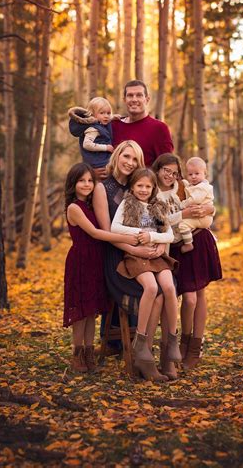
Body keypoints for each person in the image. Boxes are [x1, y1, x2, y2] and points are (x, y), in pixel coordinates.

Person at [92, 141, 168, 382]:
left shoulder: (141, 185)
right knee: (153, 291)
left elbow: (160, 223)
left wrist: (160, 244)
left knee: (164, 290)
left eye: (135, 159)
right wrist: (135, 248)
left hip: (146, 255)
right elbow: (107, 232)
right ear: (117, 156)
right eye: (126, 156)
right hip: (117, 257)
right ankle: (144, 355)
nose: (130, 162)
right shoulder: (102, 188)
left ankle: (145, 354)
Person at [63, 162, 138, 373]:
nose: (87, 184)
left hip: (96, 259)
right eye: (81, 181)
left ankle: (89, 354)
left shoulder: (89, 205)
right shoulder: (74, 208)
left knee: (91, 311)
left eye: (90, 180)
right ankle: (77, 355)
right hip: (81, 261)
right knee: (80, 311)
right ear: (73, 184)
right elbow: (95, 233)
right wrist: (125, 238)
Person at [152, 153, 222, 372]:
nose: (170, 175)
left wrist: (210, 209)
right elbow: (160, 220)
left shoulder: (183, 185)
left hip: (198, 240)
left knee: (198, 295)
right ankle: (183, 341)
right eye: (166, 170)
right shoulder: (151, 191)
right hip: (175, 246)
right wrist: (185, 213)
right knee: (188, 297)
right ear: (157, 170)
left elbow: (205, 199)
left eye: (174, 172)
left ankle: (194, 347)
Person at [110, 168, 182, 377]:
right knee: (151, 287)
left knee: (169, 287)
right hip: (137, 257)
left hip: (156, 256)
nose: (143, 190)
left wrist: (152, 238)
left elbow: (168, 234)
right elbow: (115, 228)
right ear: (132, 187)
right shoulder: (127, 204)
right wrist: (139, 233)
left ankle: (172, 340)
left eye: (147, 186)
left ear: (153, 189)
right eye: (139, 185)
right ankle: (140, 341)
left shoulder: (155, 208)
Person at [111, 80, 174, 166]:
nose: (134, 99)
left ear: (147, 99)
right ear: (124, 100)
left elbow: (167, 166)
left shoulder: (159, 128)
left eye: (139, 95)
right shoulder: (114, 125)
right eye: (130, 95)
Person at [68, 97, 114, 173]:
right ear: (92, 114)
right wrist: (106, 147)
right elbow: (87, 144)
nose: (106, 116)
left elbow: (107, 119)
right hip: (97, 163)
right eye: (102, 113)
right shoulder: (93, 129)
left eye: (108, 113)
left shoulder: (100, 125)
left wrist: (114, 117)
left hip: (102, 161)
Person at [178, 157, 214, 253]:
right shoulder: (194, 185)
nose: (193, 176)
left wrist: (183, 204)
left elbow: (195, 199)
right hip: (202, 216)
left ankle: (188, 244)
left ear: (205, 173)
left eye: (197, 173)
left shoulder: (202, 187)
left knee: (183, 225)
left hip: (203, 217)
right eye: (190, 174)